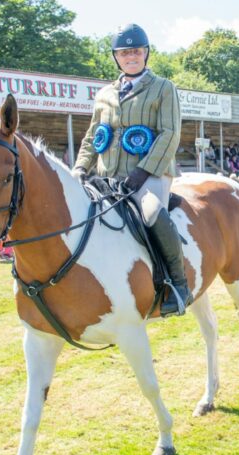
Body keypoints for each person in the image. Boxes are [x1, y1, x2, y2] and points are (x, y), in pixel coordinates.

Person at [73, 23, 190, 316]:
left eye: (136, 51)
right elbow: (92, 136)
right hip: (107, 178)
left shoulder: (164, 88)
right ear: (116, 57)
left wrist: (142, 172)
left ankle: (178, 283)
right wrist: (79, 169)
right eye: (125, 53)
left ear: (146, 53)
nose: (131, 57)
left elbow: (169, 133)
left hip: (149, 177)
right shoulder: (104, 95)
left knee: (151, 213)